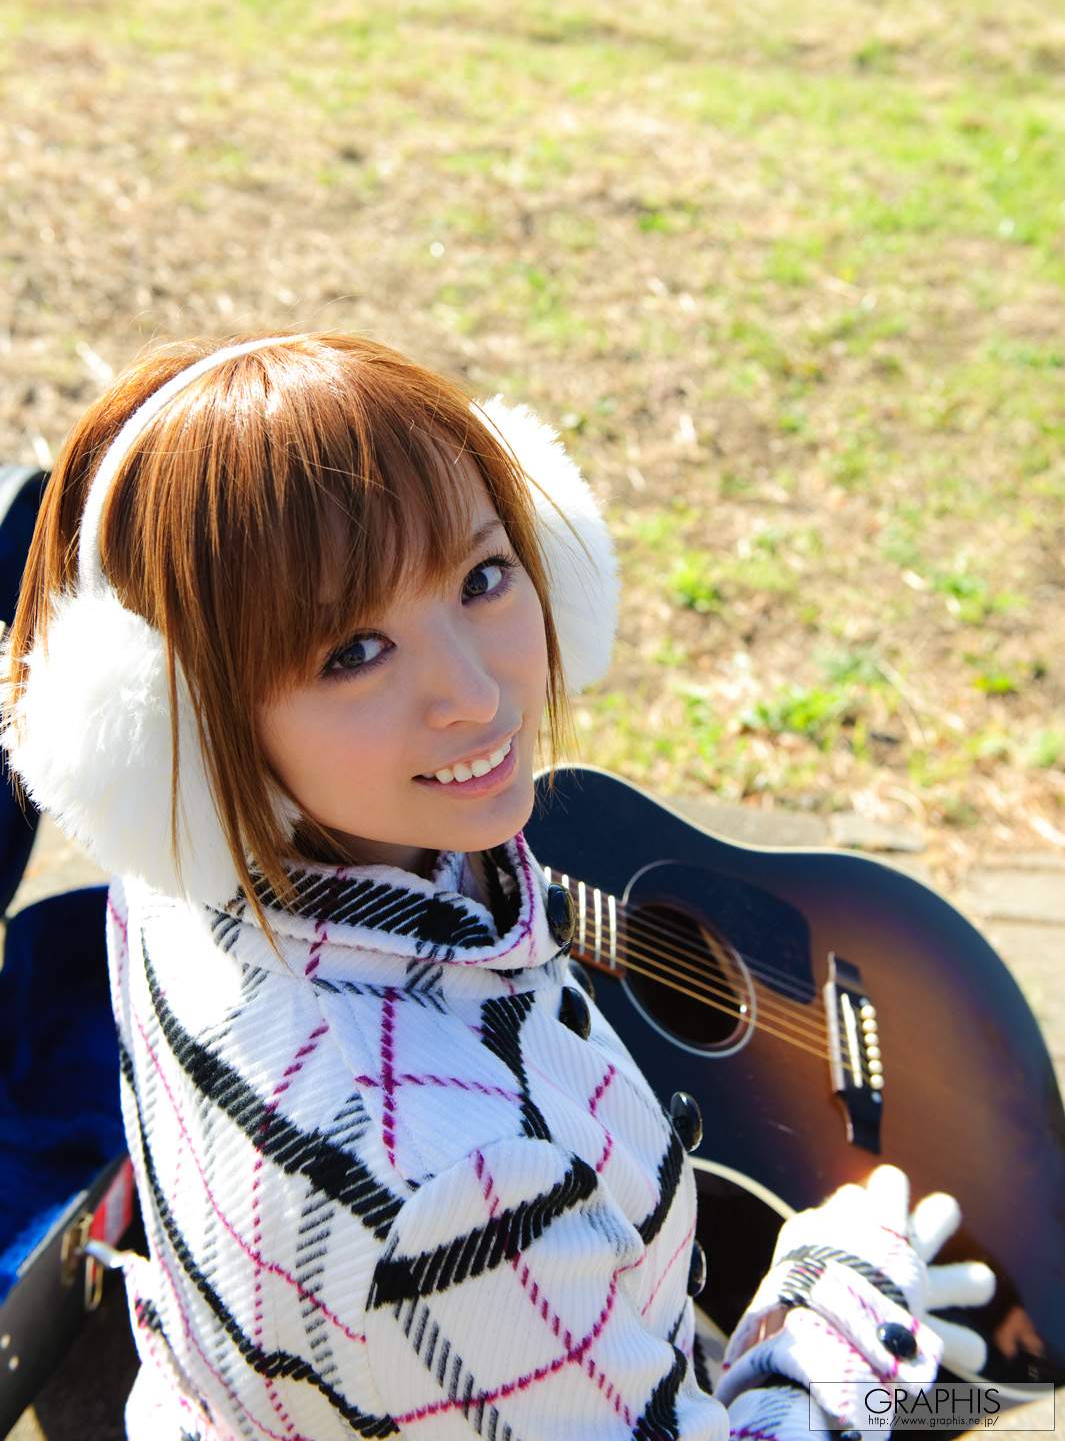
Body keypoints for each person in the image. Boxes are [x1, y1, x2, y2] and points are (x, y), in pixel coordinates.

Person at [0, 331, 995, 1441]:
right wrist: (833, 1318)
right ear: (176, 723)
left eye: (482, 578)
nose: (475, 695)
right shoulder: (458, 1198)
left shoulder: (181, 864)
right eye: (351, 653)